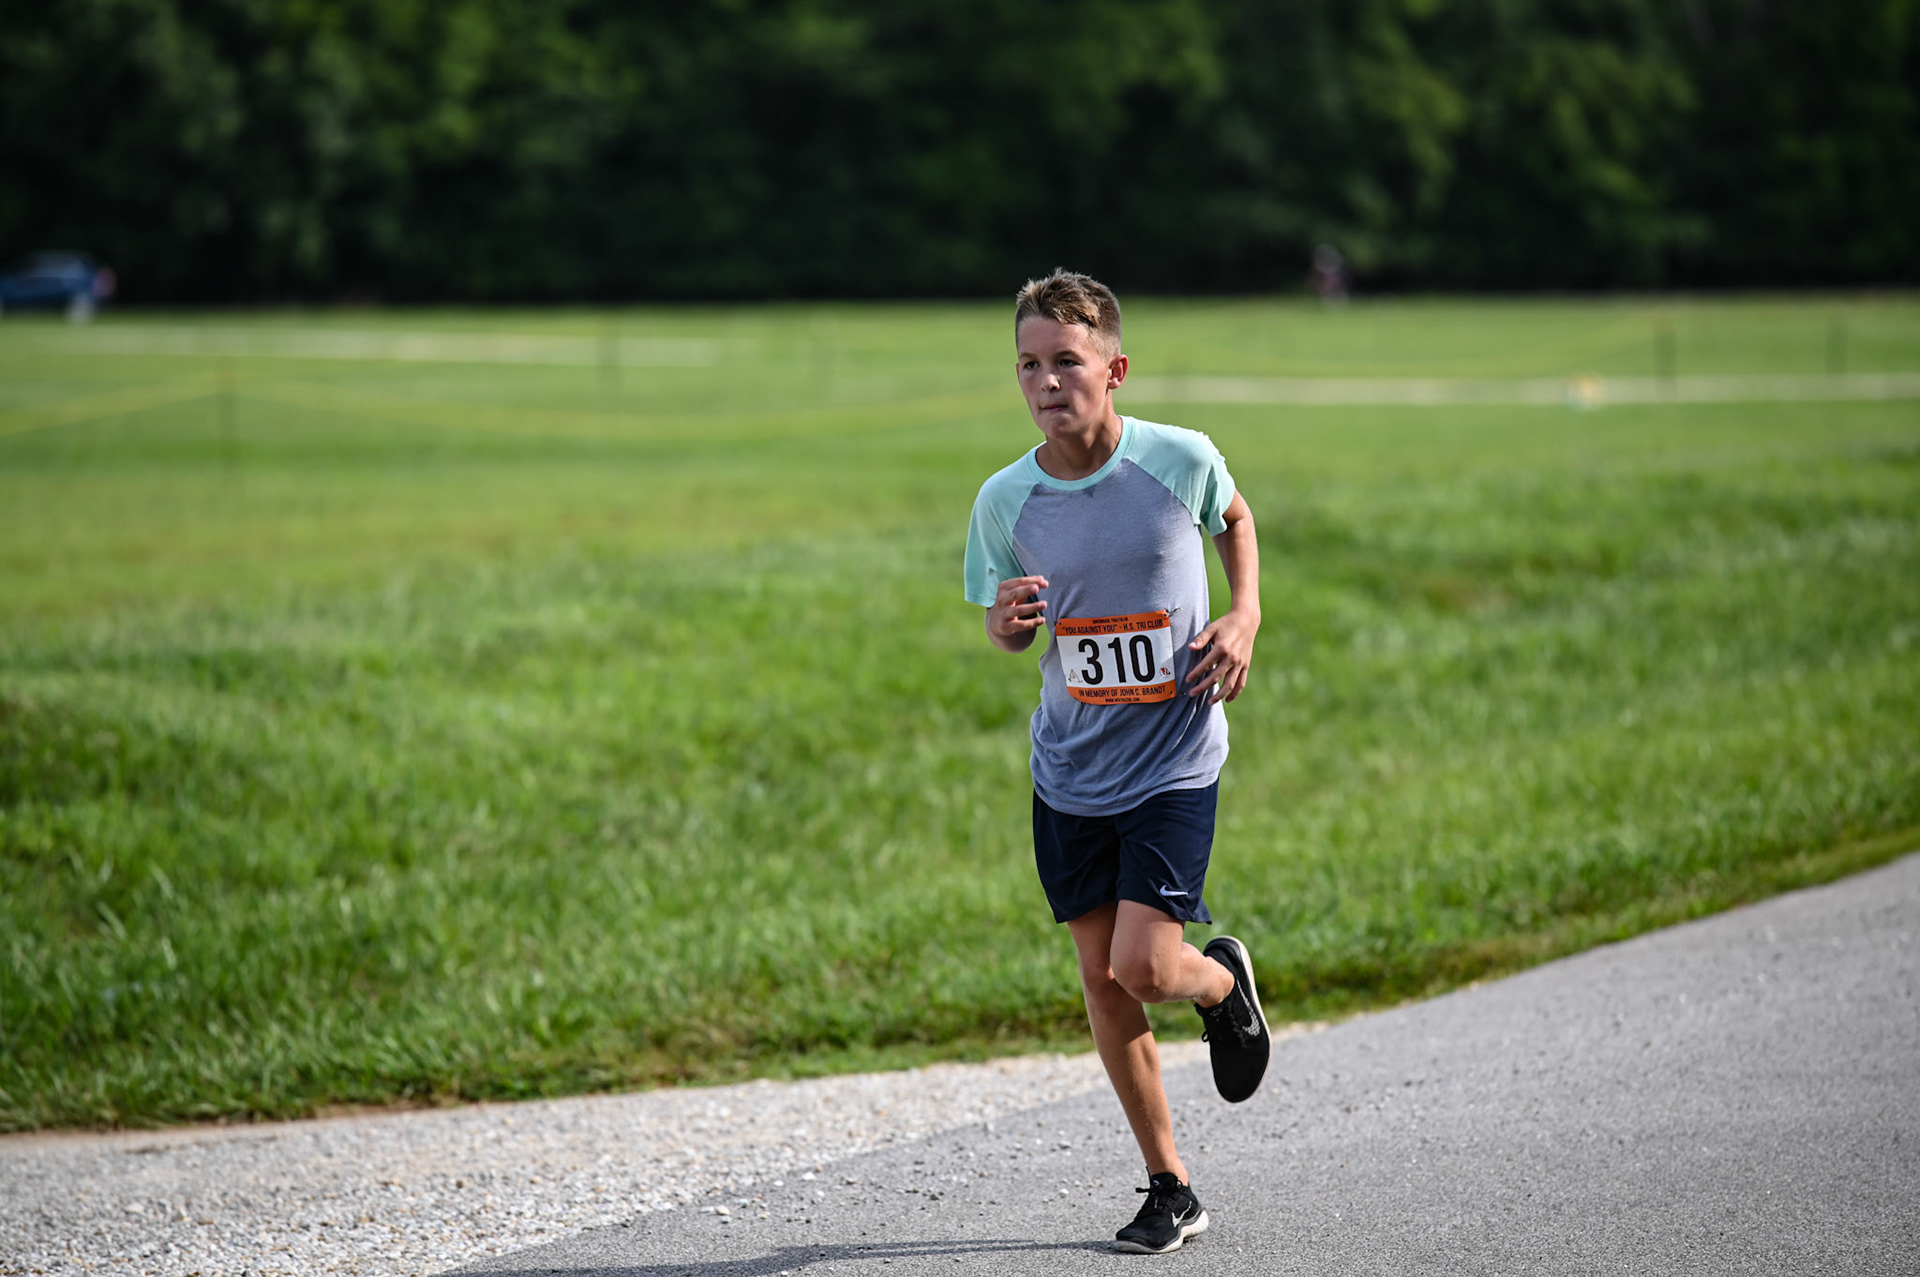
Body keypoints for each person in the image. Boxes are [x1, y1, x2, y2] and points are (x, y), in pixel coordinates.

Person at [963, 269, 1273, 1254]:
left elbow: (1235, 518)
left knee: (1142, 965)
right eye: (1028, 365)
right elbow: (1004, 623)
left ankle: (1216, 984)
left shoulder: (1177, 459)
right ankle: (1170, 1184)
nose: (1046, 382)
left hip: (1174, 760)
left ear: (1115, 370)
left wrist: (1243, 613)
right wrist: (1007, 624)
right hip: (1070, 771)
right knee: (1103, 980)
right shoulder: (1005, 498)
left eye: (1067, 361)